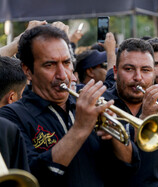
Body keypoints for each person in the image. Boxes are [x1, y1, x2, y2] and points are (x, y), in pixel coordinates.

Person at [0, 25, 139, 187]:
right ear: (28, 71)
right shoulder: (10, 116)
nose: (62, 75)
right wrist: (80, 128)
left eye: (66, 63)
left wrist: (116, 137)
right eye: (49, 65)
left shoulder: (90, 102)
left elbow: (131, 166)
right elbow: (33, 177)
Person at [102, 38, 158, 187]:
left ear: (153, 74)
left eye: (145, 70)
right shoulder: (101, 105)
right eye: (129, 69)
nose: (138, 77)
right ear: (115, 71)